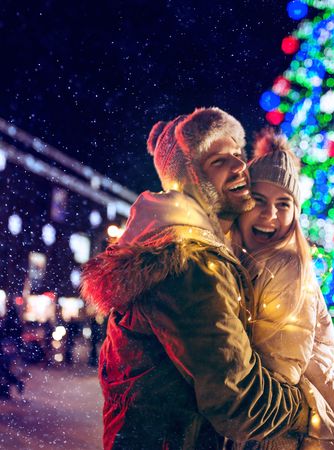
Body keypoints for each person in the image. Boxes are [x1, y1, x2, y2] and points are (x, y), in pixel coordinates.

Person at [81, 108, 310, 449]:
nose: (238, 167)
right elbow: (240, 403)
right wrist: (305, 408)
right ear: (190, 177)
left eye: (237, 154)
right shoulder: (190, 265)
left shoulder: (184, 247)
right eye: (218, 161)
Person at [232, 129, 334, 449]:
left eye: (283, 204)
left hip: (281, 436)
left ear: (295, 215)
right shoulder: (242, 263)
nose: (270, 214)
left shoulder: (287, 269)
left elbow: (279, 376)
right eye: (258, 200)